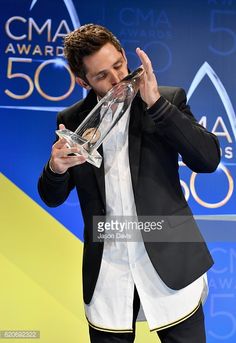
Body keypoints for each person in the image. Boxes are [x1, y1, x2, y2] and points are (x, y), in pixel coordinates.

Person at [38, 24, 221, 343]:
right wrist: (56, 168)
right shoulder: (72, 121)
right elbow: (52, 196)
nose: (116, 79)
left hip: (171, 261)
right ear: (83, 81)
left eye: (118, 66)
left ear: (124, 55)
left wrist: (158, 107)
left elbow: (207, 160)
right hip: (109, 270)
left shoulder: (167, 99)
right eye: (101, 76)